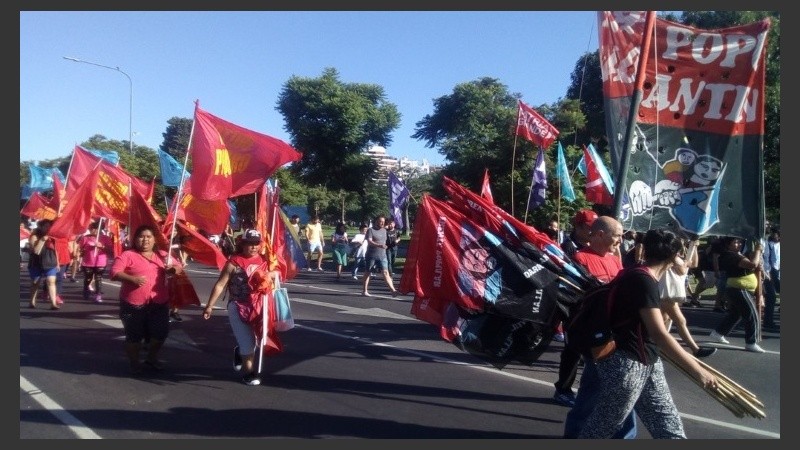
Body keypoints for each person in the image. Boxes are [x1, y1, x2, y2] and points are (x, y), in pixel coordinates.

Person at [576, 229, 717, 438]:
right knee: (600, 429)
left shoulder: (639, 274)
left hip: (648, 361)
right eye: (680, 255)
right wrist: (698, 371)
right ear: (673, 256)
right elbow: (659, 333)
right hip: (627, 365)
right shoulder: (642, 281)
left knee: (668, 425)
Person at [561, 216, 637, 439]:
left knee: (623, 389)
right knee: (594, 388)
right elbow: (575, 300)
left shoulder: (615, 261)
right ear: (601, 234)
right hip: (597, 337)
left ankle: (623, 436)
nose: (621, 241)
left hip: (619, 334)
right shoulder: (580, 258)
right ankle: (574, 434)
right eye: (618, 236)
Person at [202, 229, 280, 386]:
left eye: (256, 243)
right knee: (247, 342)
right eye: (250, 243)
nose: (253, 247)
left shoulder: (266, 261)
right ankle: (249, 373)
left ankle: (240, 352)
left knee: (258, 338)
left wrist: (271, 274)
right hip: (238, 306)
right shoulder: (233, 263)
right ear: (242, 244)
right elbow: (220, 284)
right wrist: (209, 306)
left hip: (260, 306)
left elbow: (278, 274)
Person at [111, 224, 184, 374]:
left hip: (159, 302)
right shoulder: (127, 255)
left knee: (161, 334)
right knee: (134, 337)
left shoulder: (163, 255)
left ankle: (151, 358)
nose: (145, 240)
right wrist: (132, 279)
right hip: (132, 304)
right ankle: (134, 363)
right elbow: (114, 272)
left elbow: (178, 267)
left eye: (148, 237)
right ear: (135, 239)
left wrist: (172, 269)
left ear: (154, 239)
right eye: (141, 236)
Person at [552, 209, 598, 406]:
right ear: (578, 227)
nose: (592, 232)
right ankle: (563, 389)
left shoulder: (593, 246)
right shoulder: (569, 248)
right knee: (573, 349)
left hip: (592, 306)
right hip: (573, 306)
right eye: (589, 228)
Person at [658, 237, 717, 358]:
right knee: (680, 321)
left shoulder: (677, 257)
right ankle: (695, 349)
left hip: (669, 294)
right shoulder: (669, 256)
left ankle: (657, 347)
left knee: (664, 321)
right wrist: (688, 256)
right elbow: (683, 270)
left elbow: (693, 264)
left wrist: (694, 247)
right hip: (666, 293)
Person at [707, 236, 766, 353]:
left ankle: (718, 333)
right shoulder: (730, 256)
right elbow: (752, 265)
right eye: (735, 242)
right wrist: (758, 250)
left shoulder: (736, 254)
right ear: (728, 245)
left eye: (739, 242)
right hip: (738, 289)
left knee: (736, 314)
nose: (739, 244)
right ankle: (751, 342)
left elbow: (751, 266)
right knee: (751, 314)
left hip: (740, 289)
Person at [361, 215, 399, 297]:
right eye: (380, 221)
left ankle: (393, 290)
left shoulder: (384, 230)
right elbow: (369, 241)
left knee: (385, 272)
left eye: (383, 222)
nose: (382, 223)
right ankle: (364, 290)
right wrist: (379, 245)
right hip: (371, 255)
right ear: (376, 221)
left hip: (382, 255)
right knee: (368, 272)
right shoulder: (371, 230)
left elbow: (392, 234)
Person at [27, 219, 61, 310]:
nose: (48, 228)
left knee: (51, 281)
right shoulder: (34, 236)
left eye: (50, 226)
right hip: (36, 263)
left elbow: (56, 250)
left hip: (50, 262)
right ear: (41, 227)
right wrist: (42, 240)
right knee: (35, 283)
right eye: (46, 226)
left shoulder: (53, 237)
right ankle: (32, 301)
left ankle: (53, 303)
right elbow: (35, 251)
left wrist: (57, 263)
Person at [78, 221, 112, 303]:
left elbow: (110, 250)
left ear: (98, 229)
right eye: (90, 229)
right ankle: (86, 290)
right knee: (88, 278)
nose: (91, 230)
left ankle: (98, 294)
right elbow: (80, 249)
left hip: (100, 261)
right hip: (88, 262)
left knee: (98, 278)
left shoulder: (106, 238)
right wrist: (82, 253)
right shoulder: (85, 238)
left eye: (93, 229)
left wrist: (102, 246)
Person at [761, 227, 780, 330]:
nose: (775, 236)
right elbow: (765, 260)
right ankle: (768, 321)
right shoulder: (766, 244)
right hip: (770, 273)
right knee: (771, 297)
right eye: (774, 233)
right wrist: (767, 273)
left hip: (778, 272)